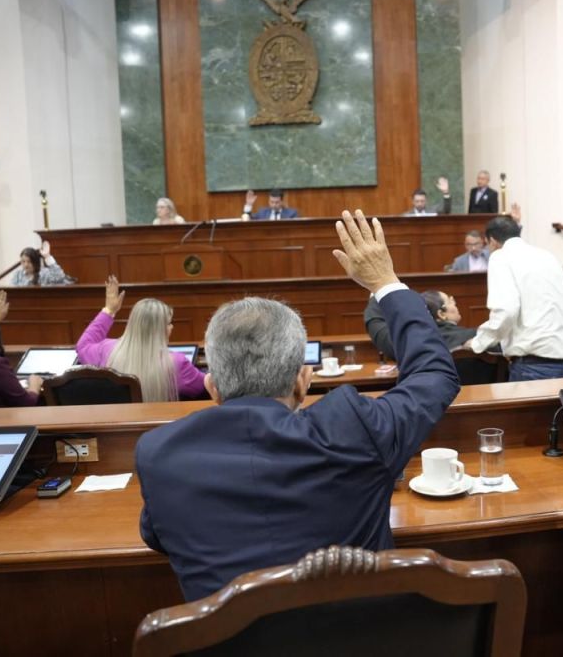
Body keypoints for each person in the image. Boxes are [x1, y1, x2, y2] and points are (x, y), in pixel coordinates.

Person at [135, 210, 460, 601]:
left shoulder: (160, 455)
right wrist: (385, 283)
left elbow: (157, 534)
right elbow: (434, 375)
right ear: (303, 381)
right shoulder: (354, 429)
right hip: (366, 628)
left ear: (211, 387)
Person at [467, 215, 563, 381]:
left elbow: (506, 311)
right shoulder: (548, 256)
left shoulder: (500, 257)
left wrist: (478, 343)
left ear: (492, 241)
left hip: (533, 365)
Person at [75, 277, 205, 401]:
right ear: (159, 329)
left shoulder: (106, 349)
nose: (172, 327)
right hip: (160, 418)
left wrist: (109, 310)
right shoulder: (177, 363)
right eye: (169, 323)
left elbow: (83, 346)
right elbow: (209, 386)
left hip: (116, 417)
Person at [364, 290, 475, 359]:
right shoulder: (474, 336)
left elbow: (376, 324)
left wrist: (376, 293)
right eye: (450, 301)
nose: (455, 303)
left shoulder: (407, 340)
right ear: (441, 314)